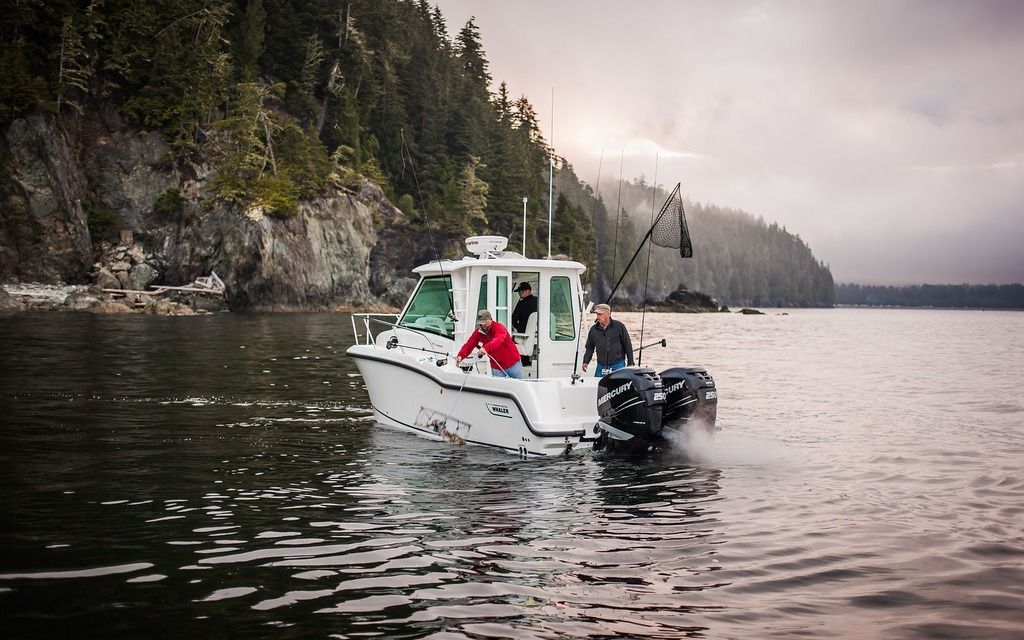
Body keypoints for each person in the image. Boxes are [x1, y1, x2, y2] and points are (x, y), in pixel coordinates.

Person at [456, 310, 523, 378]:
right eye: (481, 323)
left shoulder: (499, 327)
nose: (483, 325)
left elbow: (498, 340)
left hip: (513, 363)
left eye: (485, 322)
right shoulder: (478, 332)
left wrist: (486, 348)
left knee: (518, 386)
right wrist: (461, 356)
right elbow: (469, 345)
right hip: (496, 367)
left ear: (491, 320)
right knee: (498, 388)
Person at [582, 303, 634, 378]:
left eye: (600, 314)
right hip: (601, 366)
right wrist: (586, 361)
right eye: (597, 314)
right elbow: (589, 348)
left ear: (608, 314)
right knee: (598, 385)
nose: (597, 316)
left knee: (618, 385)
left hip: (618, 365)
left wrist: (630, 363)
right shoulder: (593, 330)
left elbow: (628, 345)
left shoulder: (619, 326)